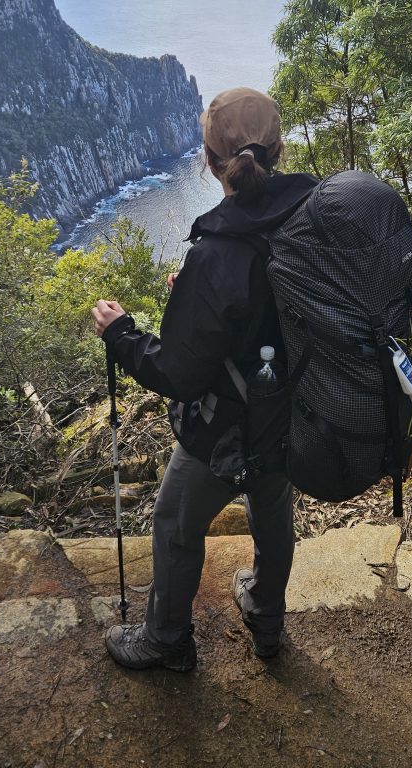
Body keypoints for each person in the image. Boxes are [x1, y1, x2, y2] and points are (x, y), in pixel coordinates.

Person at [92, 87, 316, 672]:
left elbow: (182, 374)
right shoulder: (313, 211)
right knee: (273, 519)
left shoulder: (216, 253)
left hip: (227, 431)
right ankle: (266, 621)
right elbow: (279, 305)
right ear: (279, 148)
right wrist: (199, 297)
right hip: (291, 416)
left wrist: (121, 334)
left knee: (173, 522)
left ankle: (166, 640)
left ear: (210, 161)